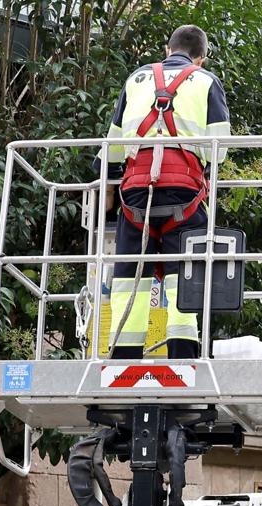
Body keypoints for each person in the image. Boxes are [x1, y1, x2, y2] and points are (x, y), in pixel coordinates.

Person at [101, 24, 231, 359]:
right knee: (183, 281)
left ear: (166, 48)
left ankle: (122, 361)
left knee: (129, 282)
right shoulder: (205, 81)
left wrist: (113, 186)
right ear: (200, 59)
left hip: (134, 197)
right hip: (183, 196)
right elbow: (219, 150)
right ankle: (183, 358)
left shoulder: (136, 79)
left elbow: (112, 149)